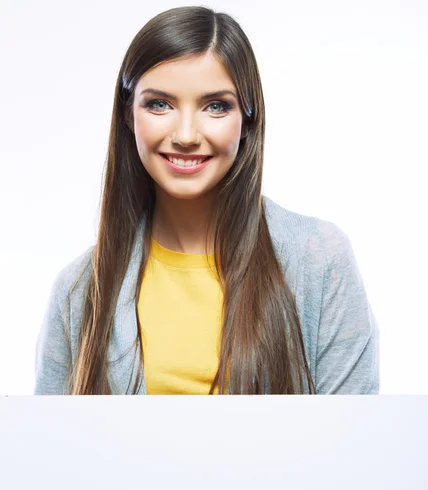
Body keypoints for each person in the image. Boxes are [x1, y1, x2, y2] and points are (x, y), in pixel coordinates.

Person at [34, 6, 380, 395]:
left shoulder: (319, 261)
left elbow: (351, 442)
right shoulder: (80, 291)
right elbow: (52, 449)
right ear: (129, 114)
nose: (185, 134)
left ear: (248, 119)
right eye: (159, 104)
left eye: (216, 106)